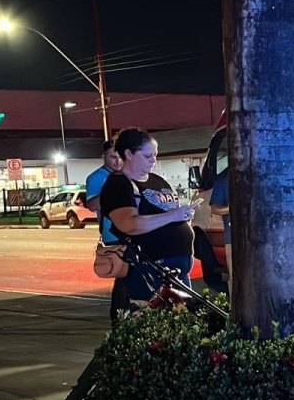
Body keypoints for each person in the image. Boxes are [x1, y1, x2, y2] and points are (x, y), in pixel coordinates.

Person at [100, 128, 199, 308]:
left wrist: (183, 216)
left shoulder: (156, 180)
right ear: (129, 154)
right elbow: (129, 224)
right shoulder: (118, 184)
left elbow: (167, 214)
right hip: (149, 266)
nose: (153, 160)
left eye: (155, 155)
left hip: (176, 266)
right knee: (152, 320)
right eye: (147, 156)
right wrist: (173, 215)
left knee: (181, 321)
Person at [86, 140, 128, 321]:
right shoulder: (96, 178)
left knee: (132, 275)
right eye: (113, 157)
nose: (117, 161)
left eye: (120, 157)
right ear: (104, 156)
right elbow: (92, 205)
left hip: (132, 229)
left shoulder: (127, 174)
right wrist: (109, 190)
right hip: (113, 233)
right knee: (123, 275)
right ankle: (118, 316)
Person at [208, 167, 231, 295]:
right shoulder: (224, 177)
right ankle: (236, 312)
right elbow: (215, 208)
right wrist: (235, 206)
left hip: (262, 237)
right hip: (233, 237)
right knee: (236, 277)